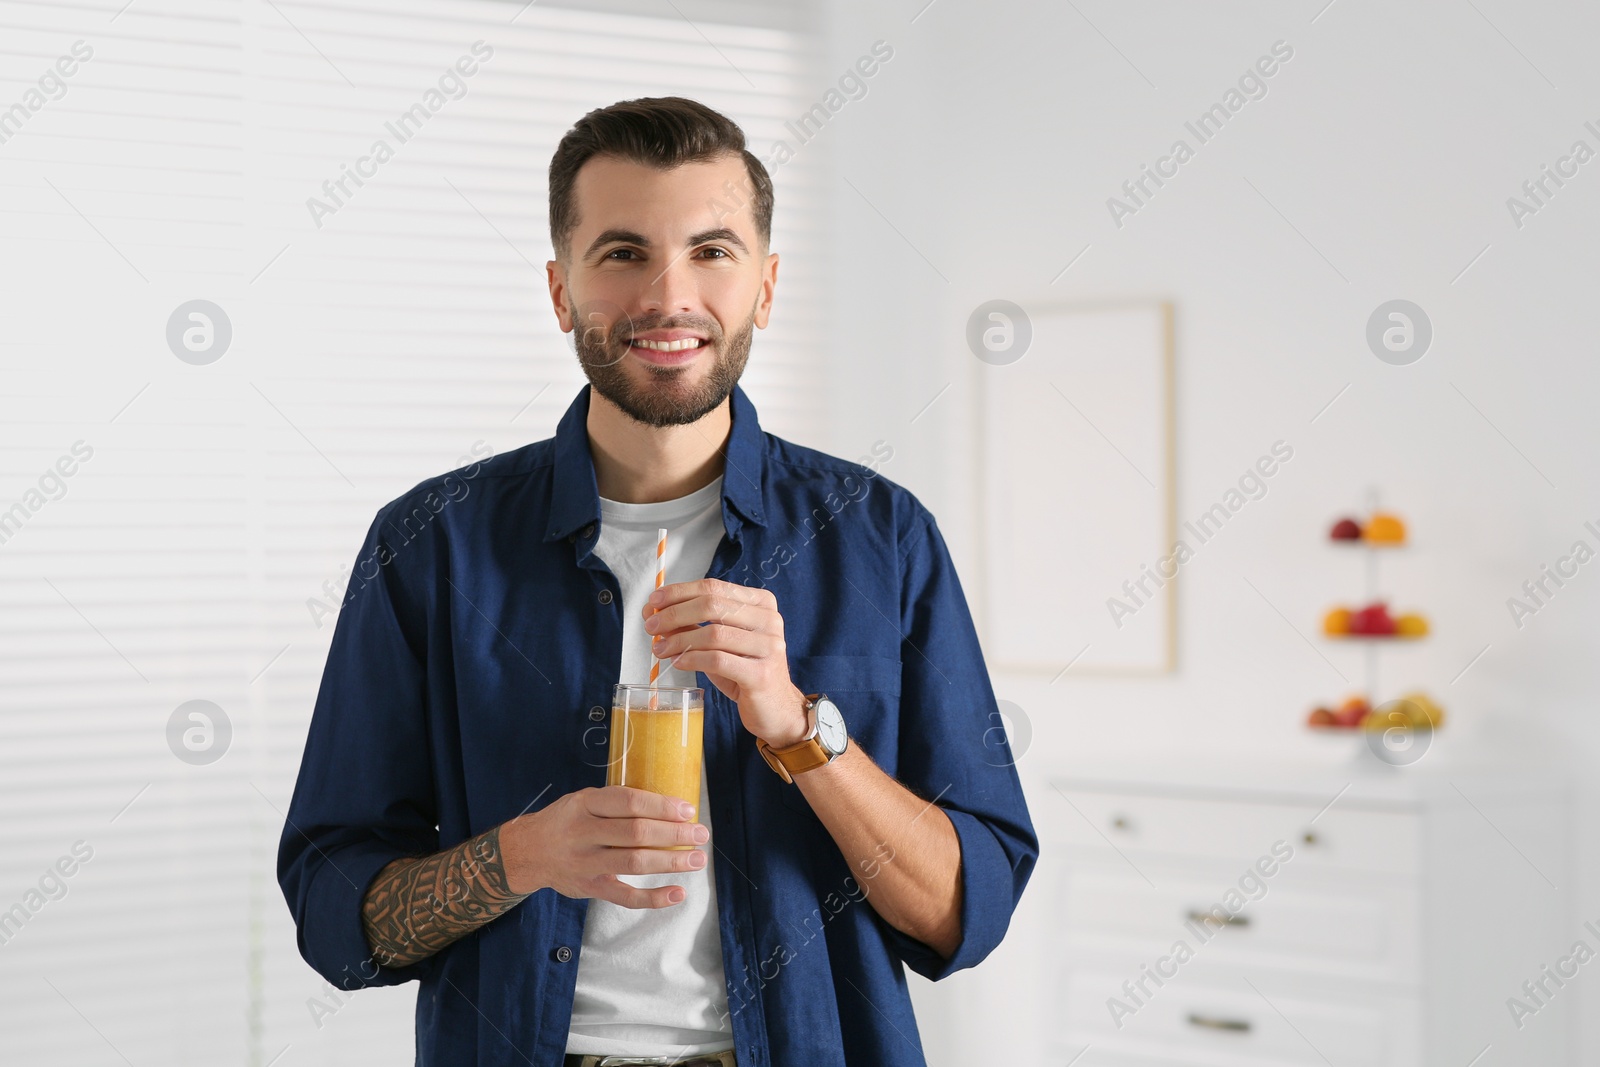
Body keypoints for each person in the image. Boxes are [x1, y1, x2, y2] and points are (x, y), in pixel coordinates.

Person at [278, 95, 1037, 1067]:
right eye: (623, 252)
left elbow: (961, 915)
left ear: (765, 287)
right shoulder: (429, 544)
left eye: (712, 252)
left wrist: (799, 728)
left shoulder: (882, 538)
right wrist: (522, 855)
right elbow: (339, 917)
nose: (669, 296)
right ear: (561, 291)